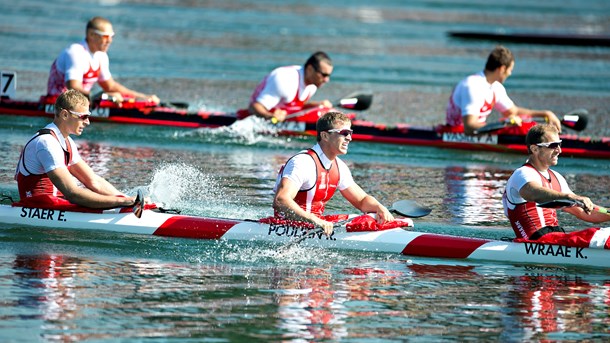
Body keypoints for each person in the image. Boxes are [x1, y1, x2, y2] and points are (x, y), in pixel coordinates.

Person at [273, 111, 395, 235]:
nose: (349, 138)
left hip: (317, 225)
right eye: (344, 133)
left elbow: (362, 200)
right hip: (286, 226)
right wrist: (315, 220)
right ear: (325, 136)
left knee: (371, 217)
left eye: (350, 133)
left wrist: (380, 208)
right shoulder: (303, 162)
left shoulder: (339, 166)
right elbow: (281, 200)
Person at [15, 89, 140, 210]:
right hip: (35, 208)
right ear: (65, 114)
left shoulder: (67, 141)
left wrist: (127, 199)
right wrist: (121, 202)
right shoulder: (47, 143)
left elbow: (93, 181)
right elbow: (72, 193)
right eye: (83, 116)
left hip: (58, 206)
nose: (87, 122)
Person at [502, 124, 610, 249]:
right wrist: (569, 196)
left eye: (559, 144)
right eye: (553, 146)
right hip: (535, 241)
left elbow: (586, 213)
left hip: (556, 238)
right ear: (534, 149)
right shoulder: (522, 174)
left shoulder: (557, 177)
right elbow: (533, 193)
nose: (559, 150)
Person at [446, 45, 561, 135]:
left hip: (481, 131)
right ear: (502, 69)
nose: (510, 74)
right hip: (455, 133)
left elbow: (513, 112)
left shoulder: (495, 87)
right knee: (518, 128)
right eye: (510, 70)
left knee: (524, 125)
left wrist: (545, 114)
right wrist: (504, 124)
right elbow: (469, 128)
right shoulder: (472, 86)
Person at [46, 16, 159, 104]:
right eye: (105, 36)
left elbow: (110, 86)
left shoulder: (101, 56)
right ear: (91, 35)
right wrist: (103, 95)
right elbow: (73, 87)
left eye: (111, 36)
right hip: (58, 104)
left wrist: (143, 98)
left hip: (81, 103)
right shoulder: (75, 52)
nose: (109, 41)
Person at [247, 51, 334, 122]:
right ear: (310, 69)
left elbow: (294, 105)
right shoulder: (285, 79)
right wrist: (271, 116)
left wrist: (317, 105)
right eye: (324, 75)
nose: (326, 80)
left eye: (328, 75)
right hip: (252, 118)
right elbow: (254, 107)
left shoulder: (313, 85)